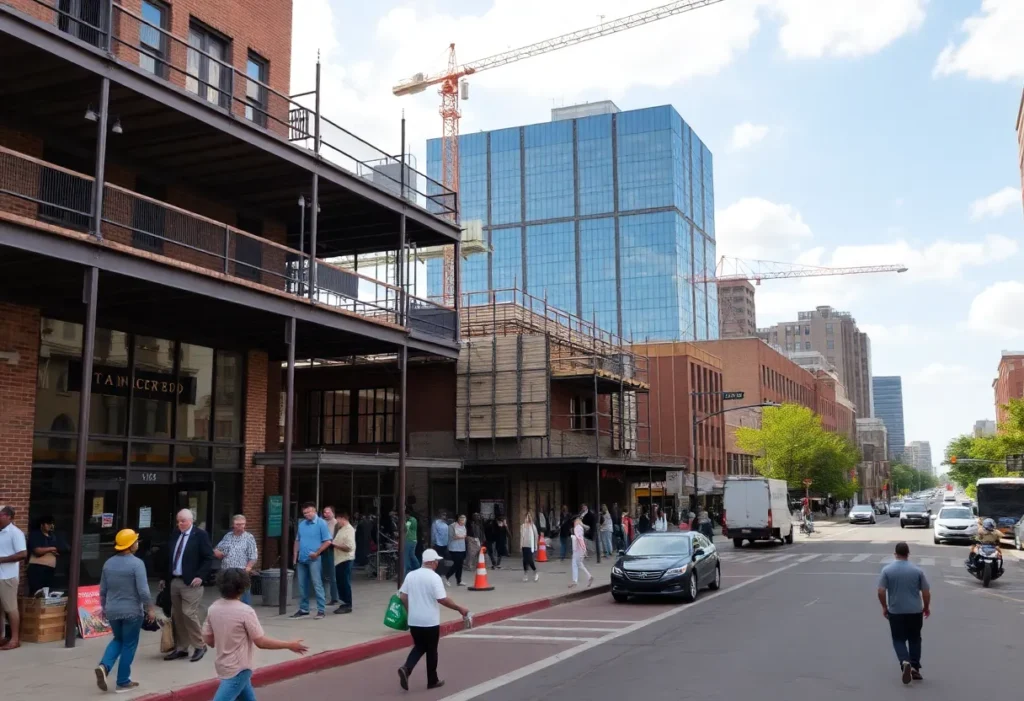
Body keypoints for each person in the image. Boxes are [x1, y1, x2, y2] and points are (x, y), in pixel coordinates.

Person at [203, 568, 308, 701]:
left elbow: (208, 639)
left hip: (225, 666)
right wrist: (289, 645)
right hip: (239, 668)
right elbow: (261, 642)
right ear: (243, 588)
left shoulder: (213, 608)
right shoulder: (245, 611)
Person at [397, 549, 470, 692]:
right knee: (431, 650)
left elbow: (403, 597)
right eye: (436, 561)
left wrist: (410, 611)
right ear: (430, 562)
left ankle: (406, 668)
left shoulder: (411, 575)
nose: (437, 563)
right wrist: (459, 608)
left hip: (414, 620)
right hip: (430, 621)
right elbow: (442, 599)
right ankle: (432, 680)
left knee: (419, 646)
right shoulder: (434, 577)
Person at [94, 529, 154, 693]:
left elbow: (103, 589)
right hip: (132, 612)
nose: (137, 543)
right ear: (129, 545)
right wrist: (150, 608)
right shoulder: (137, 564)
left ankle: (104, 666)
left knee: (118, 639)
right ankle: (122, 680)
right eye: (135, 541)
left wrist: (104, 607)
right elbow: (143, 591)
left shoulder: (108, 563)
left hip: (113, 610)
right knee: (129, 643)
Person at [161, 508, 214, 662]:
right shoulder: (175, 534)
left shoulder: (200, 535)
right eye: (178, 521)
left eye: (183, 521)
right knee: (177, 615)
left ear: (191, 521)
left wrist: (200, 576)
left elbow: (208, 557)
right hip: (175, 580)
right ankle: (182, 648)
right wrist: (164, 578)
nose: (180, 524)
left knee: (188, 613)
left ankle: (199, 645)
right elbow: (169, 557)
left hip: (192, 582)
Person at [877, 542, 930, 684]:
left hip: (896, 611)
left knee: (898, 639)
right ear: (908, 554)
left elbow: (881, 591)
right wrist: (926, 607)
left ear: (895, 554)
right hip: (915, 611)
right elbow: (925, 592)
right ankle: (914, 667)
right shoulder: (917, 570)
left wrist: (884, 606)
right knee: (915, 638)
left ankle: (904, 661)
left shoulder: (887, 570)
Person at [291, 502, 331, 620]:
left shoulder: (321, 524)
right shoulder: (302, 524)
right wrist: (295, 556)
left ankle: (321, 610)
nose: (307, 514)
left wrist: (317, 553)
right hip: (302, 558)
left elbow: (328, 541)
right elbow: (297, 540)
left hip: (315, 559)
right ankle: (304, 609)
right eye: (304, 513)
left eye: (309, 512)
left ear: (314, 511)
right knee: (302, 585)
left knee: (317, 583)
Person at [213, 515, 258, 605]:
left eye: (242, 524)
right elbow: (218, 548)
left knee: (243, 599)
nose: (240, 527)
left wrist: (248, 567)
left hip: (241, 572)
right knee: (227, 597)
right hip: (227, 572)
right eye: (237, 524)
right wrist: (216, 551)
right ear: (233, 525)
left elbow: (253, 556)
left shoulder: (249, 537)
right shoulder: (228, 536)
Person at [0, 506, 27, 650]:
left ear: (9, 517)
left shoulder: (15, 533)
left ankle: (15, 639)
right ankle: (2, 637)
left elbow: (22, 554)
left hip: (8, 576)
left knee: (11, 608)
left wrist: (2, 560)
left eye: (0, 515)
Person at [26, 513, 68, 597]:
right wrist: (51, 548)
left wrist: (55, 549)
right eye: (48, 524)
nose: (50, 526)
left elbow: (64, 548)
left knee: (47, 592)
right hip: (37, 568)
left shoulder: (53, 536)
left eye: (52, 524)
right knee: (37, 592)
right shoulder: (36, 534)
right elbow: (37, 551)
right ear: (42, 525)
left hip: (50, 568)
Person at [331, 512, 356, 614]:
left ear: (342, 518)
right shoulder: (342, 529)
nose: (337, 522)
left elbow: (349, 547)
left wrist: (335, 545)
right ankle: (344, 602)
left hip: (345, 559)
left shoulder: (349, 530)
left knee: (344, 583)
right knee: (341, 582)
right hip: (339, 560)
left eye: (338, 520)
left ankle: (347, 604)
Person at [320, 507, 341, 608]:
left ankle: (334, 597)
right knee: (323, 574)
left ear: (333, 513)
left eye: (328, 512)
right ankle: (323, 596)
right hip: (322, 550)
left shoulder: (337, 523)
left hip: (332, 550)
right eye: (325, 512)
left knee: (333, 575)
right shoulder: (322, 523)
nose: (326, 514)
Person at [569, 518, 593, 589]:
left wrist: (583, 549)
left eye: (575, 521)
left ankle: (575, 581)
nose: (574, 523)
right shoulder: (580, 528)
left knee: (575, 564)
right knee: (579, 564)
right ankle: (588, 577)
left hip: (577, 549)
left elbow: (579, 539)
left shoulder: (577, 528)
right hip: (579, 549)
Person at [445, 514, 467, 586]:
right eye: (461, 519)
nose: (463, 521)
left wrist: (460, 537)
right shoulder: (452, 526)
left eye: (464, 519)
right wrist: (461, 537)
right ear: (458, 519)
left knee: (460, 564)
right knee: (457, 564)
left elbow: (464, 535)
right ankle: (446, 576)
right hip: (454, 548)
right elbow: (453, 537)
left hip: (462, 548)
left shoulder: (463, 527)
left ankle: (459, 580)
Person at [520, 511, 539, 582]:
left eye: (528, 517)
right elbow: (522, 536)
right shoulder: (522, 526)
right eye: (526, 517)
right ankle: (525, 574)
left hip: (530, 545)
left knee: (530, 560)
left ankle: (535, 572)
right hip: (524, 545)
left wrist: (535, 545)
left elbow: (536, 535)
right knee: (524, 560)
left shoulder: (533, 526)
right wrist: (520, 545)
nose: (527, 519)